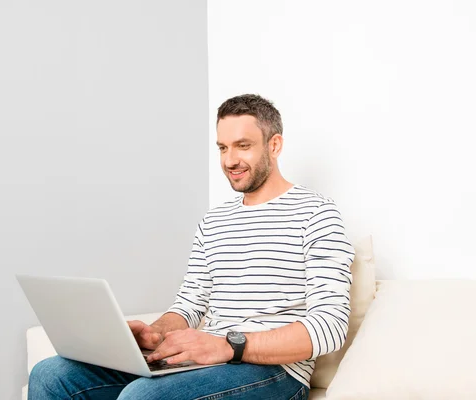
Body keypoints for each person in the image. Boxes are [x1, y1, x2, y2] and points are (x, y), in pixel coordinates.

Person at [28, 94, 354, 399]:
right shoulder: (213, 222)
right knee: (51, 374)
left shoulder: (316, 214)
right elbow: (190, 303)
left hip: (277, 373)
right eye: (223, 147)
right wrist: (153, 335)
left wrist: (229, 346)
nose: (230, 160)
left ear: (275, 145)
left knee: (142, 396)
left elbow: (331, 325)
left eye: (243, 146)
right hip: (208, 362)